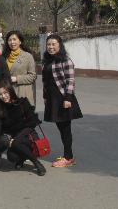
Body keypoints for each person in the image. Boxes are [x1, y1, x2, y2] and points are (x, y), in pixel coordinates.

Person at [42, 34, 83, 168]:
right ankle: (67, 155)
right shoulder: (47, 60)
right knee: (61, 127)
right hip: (52, 98)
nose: (51, 47)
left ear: (60, 45)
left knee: (65, 128)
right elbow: (46, 81)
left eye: (53, 44)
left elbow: (70, 80)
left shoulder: (66, 60)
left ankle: (68, 157)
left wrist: (68, 98)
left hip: (63, 98)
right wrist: (45, 97)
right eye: (49, 44)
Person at [0, 83, 45, 176]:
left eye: (5, 93)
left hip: (28, 134)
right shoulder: (1, 109)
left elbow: (33, 122)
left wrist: (16, 138)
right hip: (14, 138)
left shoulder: (22, 103)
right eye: (0, 94)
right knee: (11, 157)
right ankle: (22, 158)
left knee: (16, 143)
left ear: (11, 91)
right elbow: (2, 127)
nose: (3, 96)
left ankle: (36, 163)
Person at [3, 30, 37, 105]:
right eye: (10, 40)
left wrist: (17, 79)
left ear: (20, 41)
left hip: (23, 93)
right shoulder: (4, 57)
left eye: (14, 39)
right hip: (8, 93)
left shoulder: (27, 56)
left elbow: (32, 76)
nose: (12, 42)